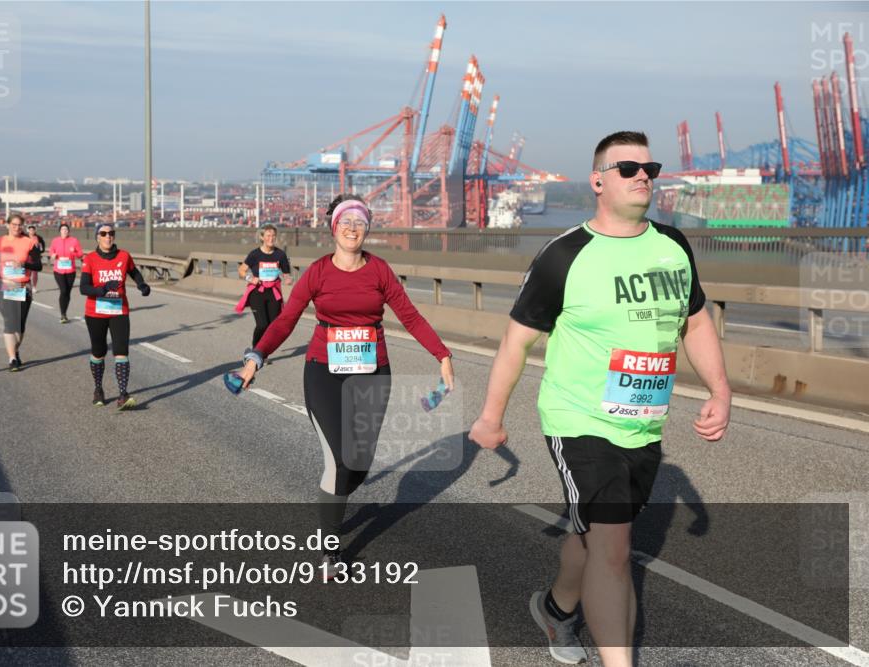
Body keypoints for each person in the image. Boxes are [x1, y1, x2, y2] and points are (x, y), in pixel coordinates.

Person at [468, 131, 731, 667]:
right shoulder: (565, 254)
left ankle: (556, 610)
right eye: (628, 169)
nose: (643, 177)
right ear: (597, 181)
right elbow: (517, 341)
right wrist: (491, 417)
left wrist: (720, 390)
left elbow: (697, 320)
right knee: (614, 547)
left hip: (643, 423)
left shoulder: (673, 246)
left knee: (592, 537)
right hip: (579, 420)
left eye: (650, 168)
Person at [236, 194, 455, 574]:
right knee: (339, 461)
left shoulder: (380, 271)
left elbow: (411, 316)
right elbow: (286, 320)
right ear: (333, 228)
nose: (353, 229)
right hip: (324, 371)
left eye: (360, 223)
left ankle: (333, 497)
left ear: (367, 229)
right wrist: (256, 357)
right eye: (346, 222)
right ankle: (330, 551)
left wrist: (443, 355)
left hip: (372, 373)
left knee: (359, 464)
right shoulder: (318, 272)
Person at [79, 222, 151, 409]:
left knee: (121, 350)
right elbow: (83, 288)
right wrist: (101, 289)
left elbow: (134, 272)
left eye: (111, 233)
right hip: (95, 312)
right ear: (97, 237)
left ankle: (123, 394)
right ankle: (98, 389)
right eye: (103, 233)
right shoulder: (90, 259)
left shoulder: (124, 256)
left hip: (119, 311)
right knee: (99, 351)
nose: (108, 236)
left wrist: (142, 285)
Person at [0, 213, 42, 372]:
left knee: (20, 325)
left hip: (22, 287)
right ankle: (12, 358)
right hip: (5, 286)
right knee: (10, 322)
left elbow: (38, 265)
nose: (17, 227)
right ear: (8, 225)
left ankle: (15, 350)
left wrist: (24, 264)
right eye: (14, 224)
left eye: (19, 225)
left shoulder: (29, 242)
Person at [235, 223, 293, 351]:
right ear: (262, 237)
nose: (271, 238)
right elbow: (241, 270)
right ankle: (255, 349)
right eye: (268, 236)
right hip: (257, 292)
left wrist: (288, 279)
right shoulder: (255, 254)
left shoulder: (280, 255)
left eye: (273, 235)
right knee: (262, 325)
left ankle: (263, 351)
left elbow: (286, 274)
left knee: (272, 326)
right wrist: (250, 278)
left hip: (273, 293)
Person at [48, 223, 83, 323]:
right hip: (58, 270)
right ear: (60, 231)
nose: (64, 231)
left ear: (68, 231)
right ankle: (63, 314)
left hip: (70, 271)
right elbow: (51, 252)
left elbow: (80, 254)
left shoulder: (74, 241)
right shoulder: (55, 241)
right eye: (63, 229)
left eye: (66, 229)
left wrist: (74, 252)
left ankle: (64, 313)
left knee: (67, 292)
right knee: (63, 290)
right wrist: (53, 255)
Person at [26, 224, 46, 293]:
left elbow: (43, 244)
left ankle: (34, 287)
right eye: (30, 230)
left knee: (35, 273)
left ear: (35, 230)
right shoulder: (25, 237)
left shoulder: (38, 237)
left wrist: (41, 251)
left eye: (33, 230)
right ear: (28, 230)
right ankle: (28, 286)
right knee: (28, 273)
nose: (32, 231)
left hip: (36, 257)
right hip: (28, 257)